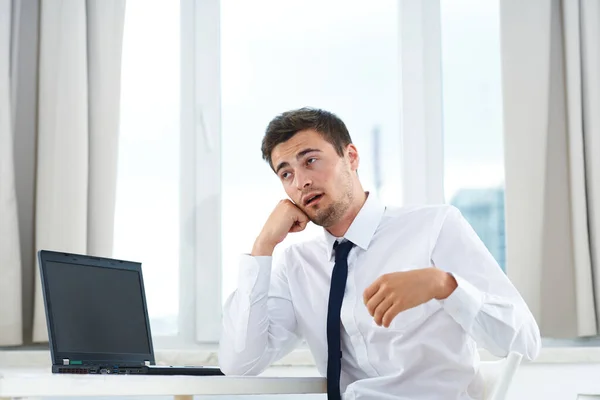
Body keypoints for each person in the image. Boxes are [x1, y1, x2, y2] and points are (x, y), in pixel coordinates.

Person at [218, 107, 541, 399]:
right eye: (286, 173)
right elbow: (240, 363)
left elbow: (524, 342)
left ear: (352, 157)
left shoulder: (434, 226)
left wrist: (445, 285)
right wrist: (263, 248)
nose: (301, 181)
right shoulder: (297, 265)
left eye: (311, 160)